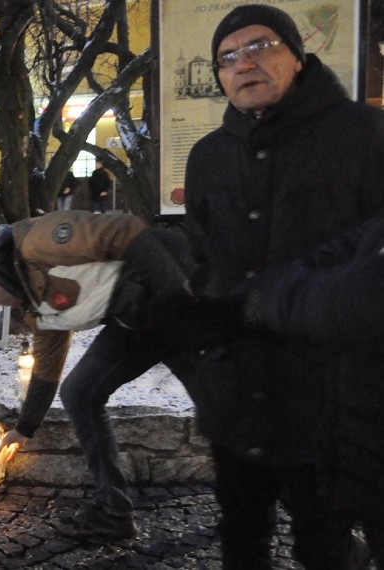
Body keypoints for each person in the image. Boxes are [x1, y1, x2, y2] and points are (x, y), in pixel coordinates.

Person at [180, 5, 384, 568]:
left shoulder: (365, 134)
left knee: (324, 548)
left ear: (296, 55)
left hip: (331, 407)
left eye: (260, 46)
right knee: (240, 540)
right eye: (227, 56)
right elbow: (203, 262)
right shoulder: (208, 157)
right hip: (236, 399)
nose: (243, 62)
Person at [0, 209, 193, 541]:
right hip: (131, 322)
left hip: (176, 293)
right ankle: (114, 513)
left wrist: (182, 302)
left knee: (218, 407)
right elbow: (48, 364)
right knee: (79, 393)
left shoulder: (36, 243)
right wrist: (25, 427)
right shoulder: (32, 301)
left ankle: (260, 503)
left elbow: (125, 231)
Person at [241, 216, 384, 565]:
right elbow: (344, 247)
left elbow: (358, 298)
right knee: (318, 547)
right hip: (350, 442)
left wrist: (272, 297)